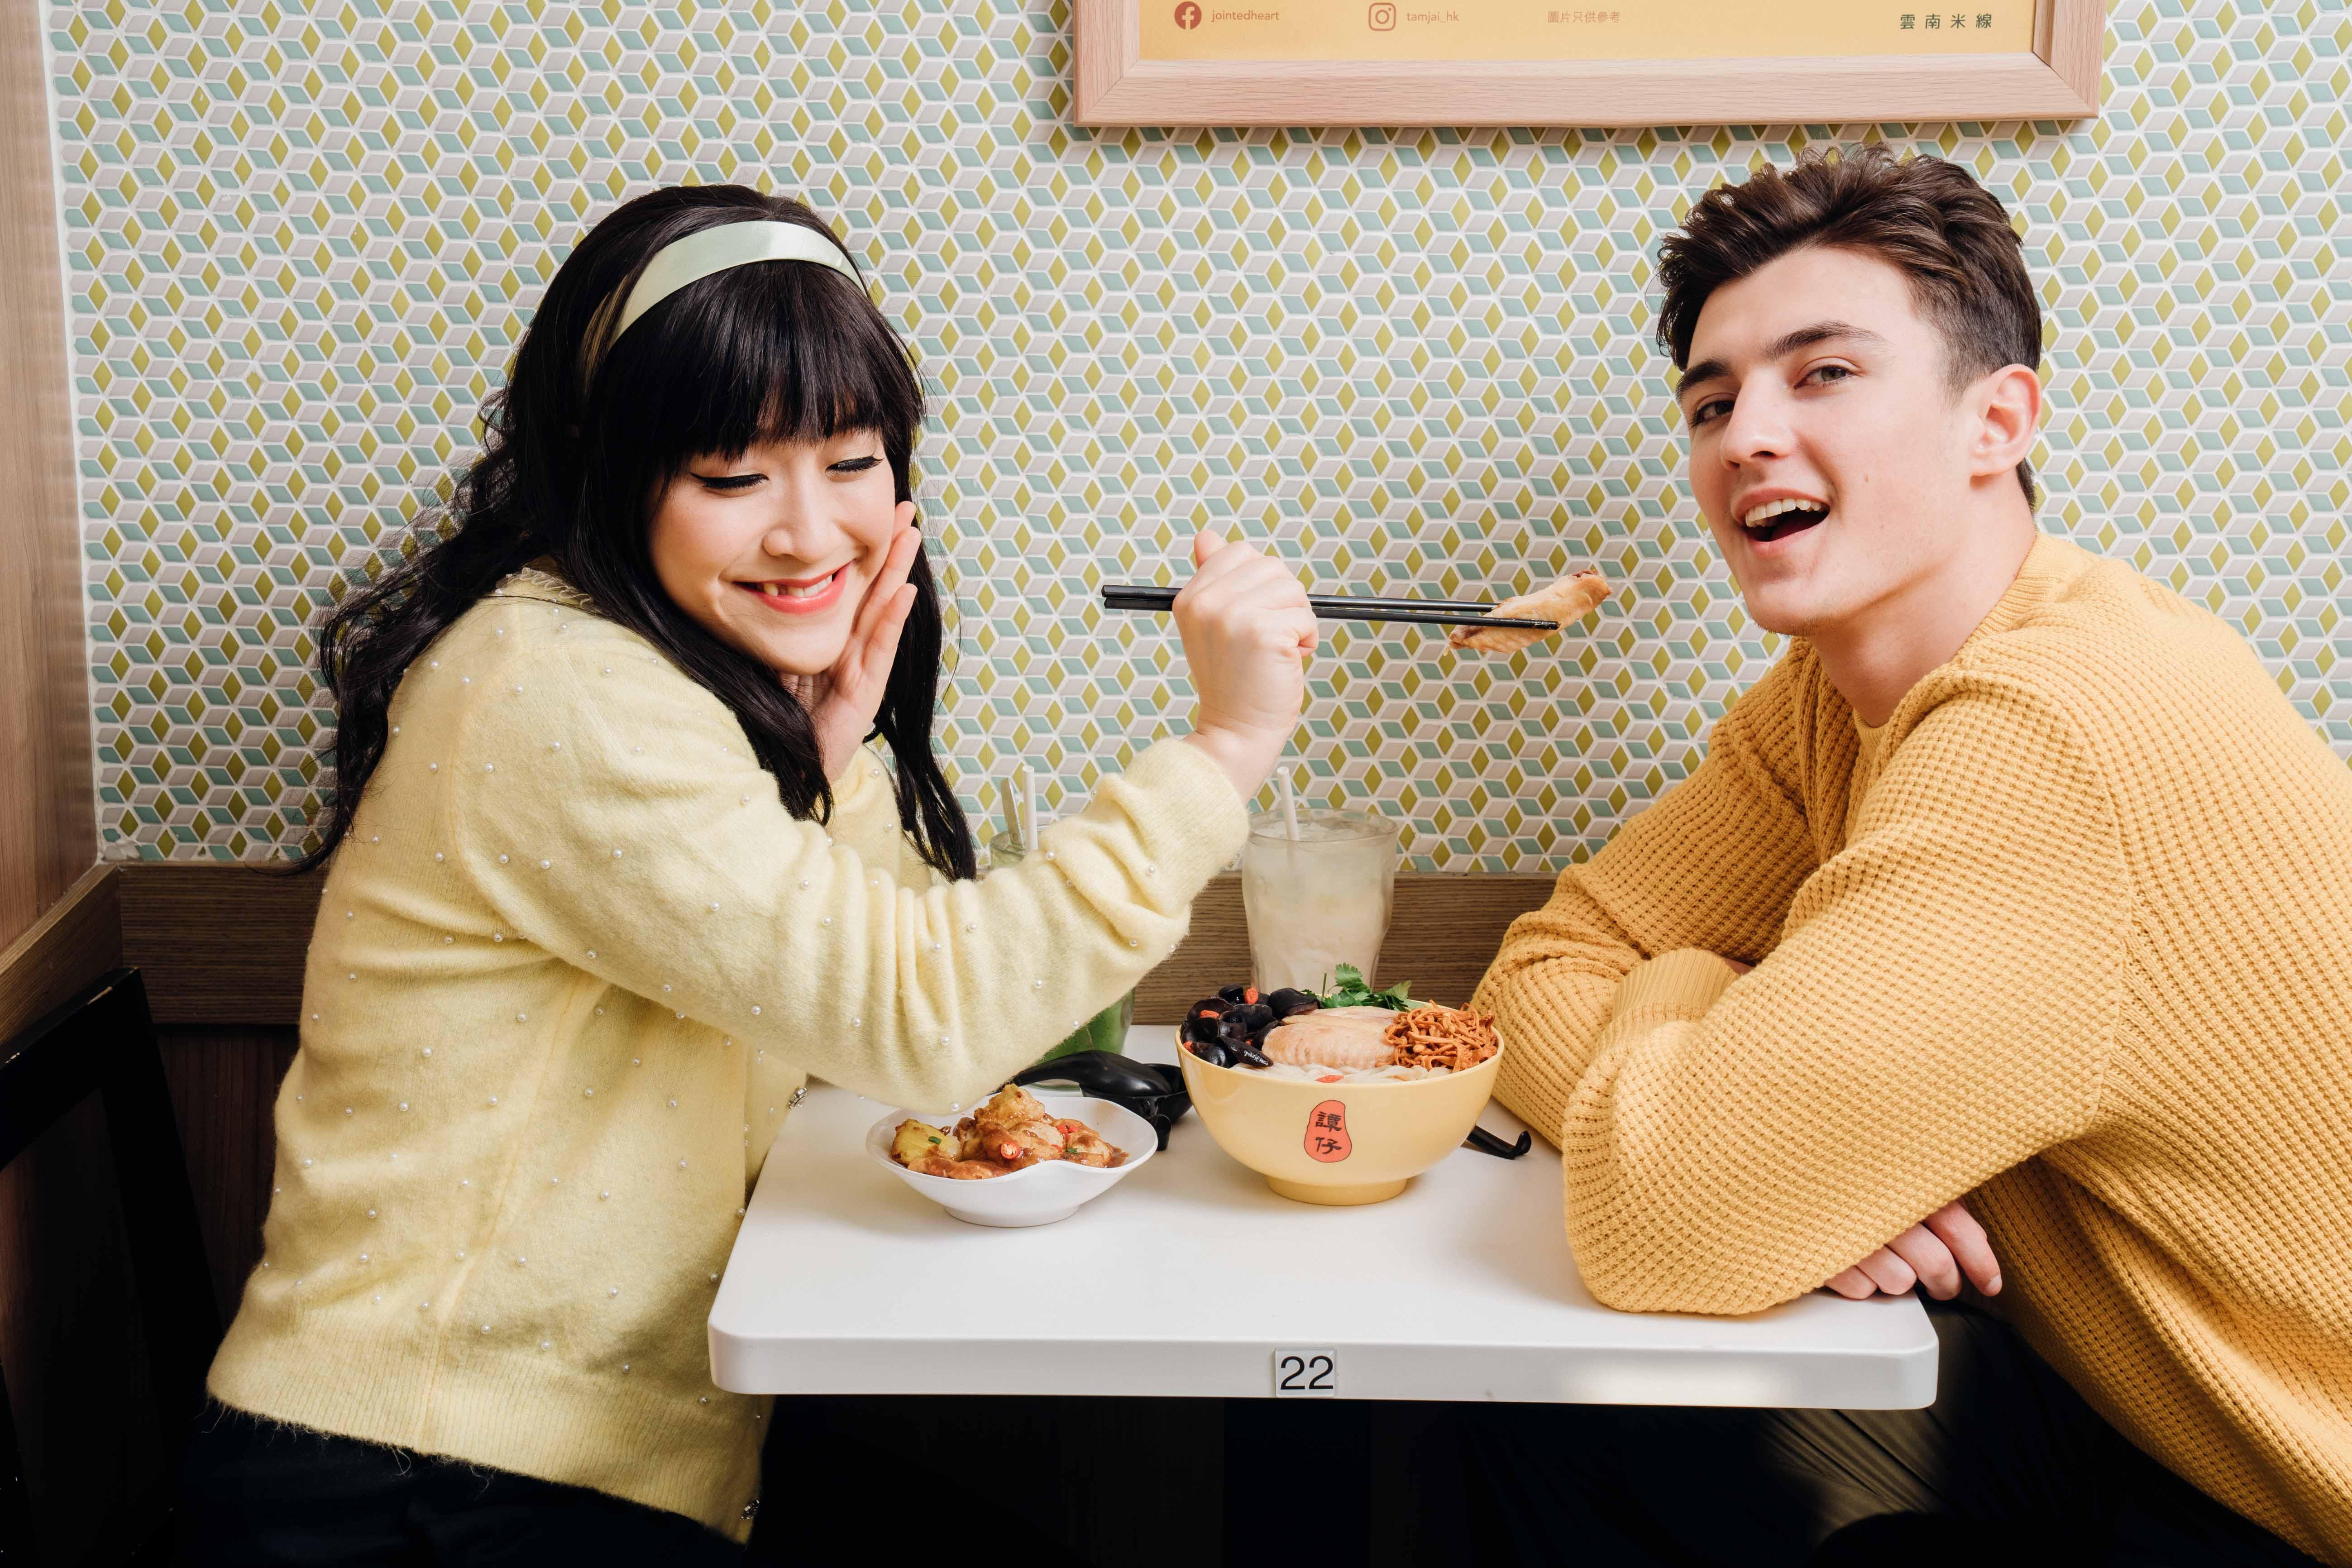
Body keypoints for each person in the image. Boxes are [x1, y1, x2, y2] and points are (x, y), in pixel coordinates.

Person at [172, 185, 1316, 1562]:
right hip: (419, 1483)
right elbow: (933, 1021)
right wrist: (1226, 746)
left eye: (851, 460)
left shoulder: (664, 678)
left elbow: (902, 1022)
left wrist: (820, 768)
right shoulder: (557, 686)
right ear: (607, 471)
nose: (809, 533)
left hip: (578, 1460)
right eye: (732, 478)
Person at [1468, 146, 2350, 1565]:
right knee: (1560, 1416)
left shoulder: (2049, 732)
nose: (1745, 435)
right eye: (1710, 401)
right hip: (2138, 1413)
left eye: (1822, 374)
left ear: (1994, 422)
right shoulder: (1828, 703)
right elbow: (1539, 969)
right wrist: (1778, 1173)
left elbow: (1663, 1218)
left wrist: (1707, 1020)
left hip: (2296, 1499)